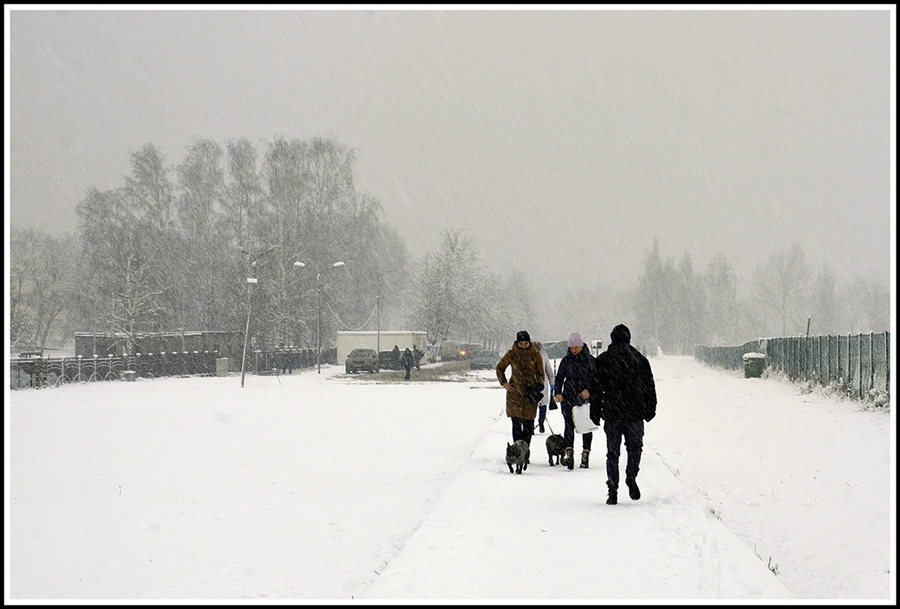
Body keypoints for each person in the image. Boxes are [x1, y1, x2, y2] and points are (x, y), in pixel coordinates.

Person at [592, 324, 657, 505]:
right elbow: (649, 387)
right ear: (628, 338)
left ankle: (612, 489)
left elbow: (596, 389)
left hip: (612, 413)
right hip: (634, 414)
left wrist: (595, 412)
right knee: (634, 448)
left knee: (612, 453)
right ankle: (631, 475)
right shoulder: (639, 359)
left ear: (612, 338)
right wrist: (650, 409)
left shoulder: (604, 360)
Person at [496, 330, 544, 451]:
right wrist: (504, 383)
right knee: (516, 424)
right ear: (517, 343)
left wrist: (538, 386)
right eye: (521, 343)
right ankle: (517, 450)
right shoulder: (511, 354)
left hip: (530, 395)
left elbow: (540, 373)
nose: (523, 345)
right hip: (515, 394)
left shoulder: (536, 355)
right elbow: (500, 368)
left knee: (528, 426)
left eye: (526, 343)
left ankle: (525, 451)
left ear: (529, 343)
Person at [553, 332, 596, 470]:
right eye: (571, 348)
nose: (574, 350)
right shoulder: (566, 361)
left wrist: (588, 390)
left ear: (582, 345)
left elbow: (596, 379)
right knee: (568, 426)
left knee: (586, 427)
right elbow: (559, 378)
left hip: (585, 401)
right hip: (568, 399)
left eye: (576, 347)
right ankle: (569, 453)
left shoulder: (590, 360)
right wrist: (558, 393)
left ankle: (585, 454)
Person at [533, 342, 556, 434]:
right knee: (532, 406)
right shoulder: (526, 355)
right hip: (530, 385)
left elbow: (549, 370)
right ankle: (530, 426)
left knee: (543, 405)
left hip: (543, 385)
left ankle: (541, 422)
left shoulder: (543, 354)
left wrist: (552, 383)